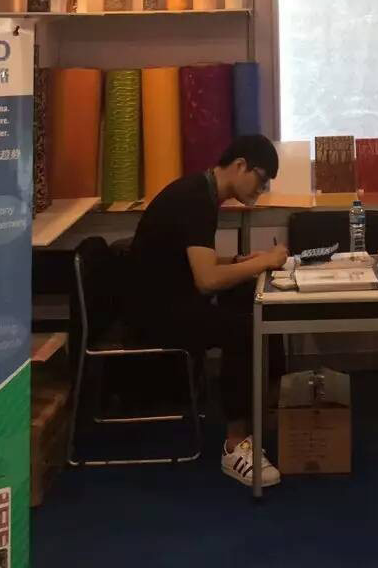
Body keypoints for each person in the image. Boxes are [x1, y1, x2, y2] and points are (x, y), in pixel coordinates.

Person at [126, 134, 288, 488]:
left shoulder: (201, 193)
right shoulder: (196, 200)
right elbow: (207, 280)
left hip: (171, 299)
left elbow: (198, 264)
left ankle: (267, 409)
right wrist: (266, 261)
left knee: (253, 300)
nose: (261, 190)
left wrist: (243, 262)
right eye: (261, 180)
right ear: (240, 165)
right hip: (155, 315)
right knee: (245, 329)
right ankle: (235, 446)